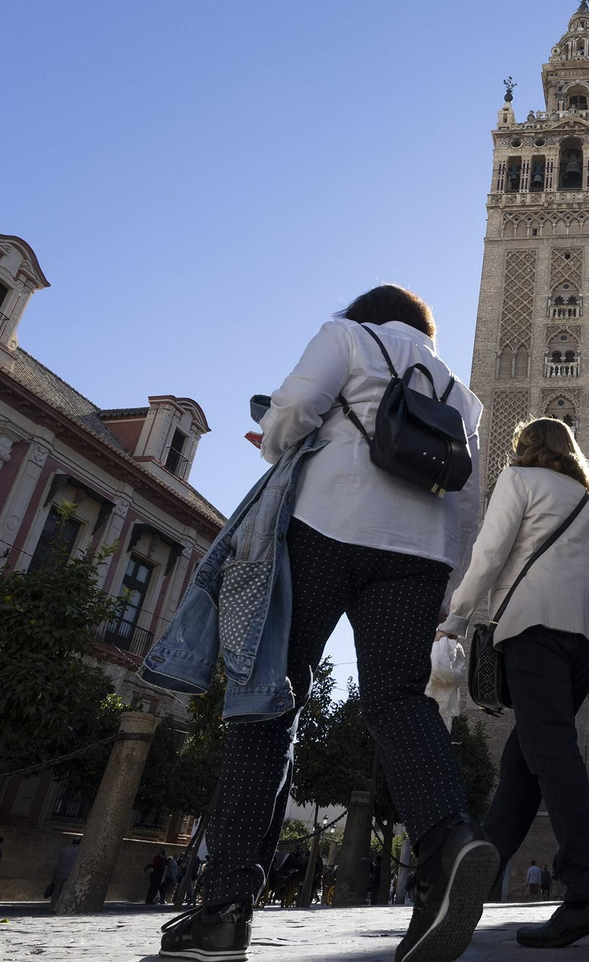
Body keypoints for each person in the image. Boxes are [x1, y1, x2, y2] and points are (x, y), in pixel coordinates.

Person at [154, 285, 494, 962]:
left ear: (365, 313)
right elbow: (469, 498)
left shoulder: (346, 338)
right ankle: (449, 839)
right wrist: (446, 588)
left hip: (324, 527)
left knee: (270, 698)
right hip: (419, 554)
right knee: (397, 698)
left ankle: (223, 909)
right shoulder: (461, 392)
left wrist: (276, 437)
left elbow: (294, 409)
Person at [440, 418, 589, 950]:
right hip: (588, 643)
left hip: (537, 630)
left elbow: (489, 553)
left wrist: (455, 617)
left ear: (529, 448)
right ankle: (471, 888)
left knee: (550, 750)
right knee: (523, 765)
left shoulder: (519, 480)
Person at [49, 837, 80, 911]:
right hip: (70, 874)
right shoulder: (79, 851)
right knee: (65, 892)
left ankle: (52, 907)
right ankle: (60, 907)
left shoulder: (64, 849)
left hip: (60, 873)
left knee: (57, 891)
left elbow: (58, 863)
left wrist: (53, 877)